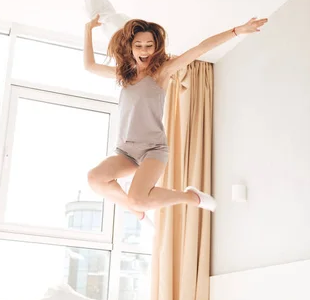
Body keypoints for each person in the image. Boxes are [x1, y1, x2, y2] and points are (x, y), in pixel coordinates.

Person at [84, 15, 268, 222]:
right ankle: (133, 205)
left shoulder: (162, 72)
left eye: (149, 45)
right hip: (126, 150)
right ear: (130, 48)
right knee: (95, 178)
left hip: (152, 149)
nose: (144, 50)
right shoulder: (123, 74)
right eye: (139, 45)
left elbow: (199, 49)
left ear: (156, 48)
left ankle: (190, 197)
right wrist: (88, 29)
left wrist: (236, 31)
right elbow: (90, 66)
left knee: (139, 200)